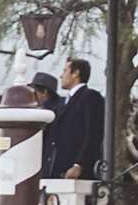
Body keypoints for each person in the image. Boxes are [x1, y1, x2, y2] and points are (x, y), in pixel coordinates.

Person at [44, 56, 106, 184]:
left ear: (75, 73)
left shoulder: (90, 97)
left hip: (75, 172)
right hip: (57, 169)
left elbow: (93, 133)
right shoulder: (63, 102)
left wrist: (79, 165)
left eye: (65, 71)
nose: (61, 76)